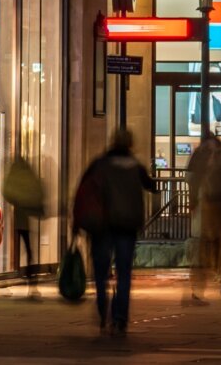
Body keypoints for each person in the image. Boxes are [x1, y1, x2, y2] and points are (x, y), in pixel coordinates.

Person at [71, 129, 152, 337]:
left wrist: (77, 221)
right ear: (130, 144)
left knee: (101, 271)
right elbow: (150, 185)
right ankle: (120, 317)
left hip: (102, 226)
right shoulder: (136, 167)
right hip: (126, 226)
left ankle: (102, 309)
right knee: (124, 273)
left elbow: (83, 191)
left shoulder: (100, 164)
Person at [186, 130, 221, 301]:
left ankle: (199, 286)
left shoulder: (200, 155)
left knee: (204, 242)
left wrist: (192, 200)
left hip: (206, 202)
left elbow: (192, 179)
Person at [0, 154, 48, 288]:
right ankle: (30, 275)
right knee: (29, 248)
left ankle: (25, 271)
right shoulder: (29, 174)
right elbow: (39, 190)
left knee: (26, 246)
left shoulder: (15, 176)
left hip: (21, 218)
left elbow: (7, 192)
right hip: (31, 216)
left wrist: (16, 202)